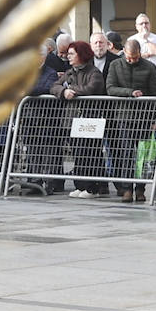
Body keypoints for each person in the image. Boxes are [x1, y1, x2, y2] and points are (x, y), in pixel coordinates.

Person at [106, 36, 156, 202]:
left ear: (140, 54)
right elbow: (110, 88)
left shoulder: (149, 67)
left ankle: (140, 189)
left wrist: (154, 120)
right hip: (124, 117)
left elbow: (155, 92)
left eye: (135, 57)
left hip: (144, 117)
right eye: (129, 57)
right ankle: (127, 188)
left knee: (143, 156)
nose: (132, 60)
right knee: (127, 154)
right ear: (124, 53)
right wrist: (129, 92)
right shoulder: (115, 65)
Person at [51, 41, 107, 197]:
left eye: (71, 54)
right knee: (77, 152)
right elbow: (54, 86)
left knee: (89, 153)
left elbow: (91, 88)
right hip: (71, 119)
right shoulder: (70, 72)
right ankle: (81, 185)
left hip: (89, 118)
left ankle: (92, 187)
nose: (68, 57)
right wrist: (63, 92)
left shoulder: (93, 72)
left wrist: (71, 90)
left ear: (81, 55)